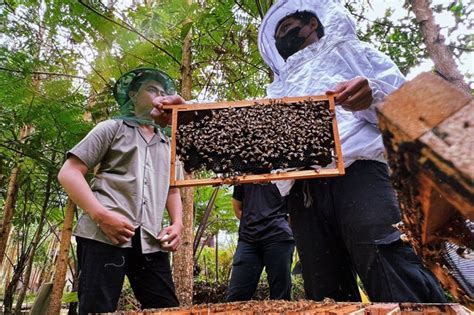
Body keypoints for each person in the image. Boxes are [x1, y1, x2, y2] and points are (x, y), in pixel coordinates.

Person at [257, 0, 447, 302]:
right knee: (326, 296)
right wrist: (186, 114)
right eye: (277, 32)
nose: (282, 35)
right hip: (303, 197)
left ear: (312, 24)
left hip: (359, 176)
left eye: (288, 26)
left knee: (394, 276)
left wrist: (373, 93)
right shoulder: (277, 89)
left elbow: (411, 110)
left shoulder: (353, 52)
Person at [58, 68, 186, 314]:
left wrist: (178, 223)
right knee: (97, 309)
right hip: (103, 235)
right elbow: (69, 172)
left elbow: (172, 190)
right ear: (134, 96)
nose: (159, 96)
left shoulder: (168, 144)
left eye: (163, 92)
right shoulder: (111, 128)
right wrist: (101, 216)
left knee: (166, 309)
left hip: (150, 239)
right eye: (151, 89)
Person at [227, 183, 295, 301]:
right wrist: (253, 221)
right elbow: (237, 208)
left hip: (279, 238)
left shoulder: (285, 169)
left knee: (280, 298)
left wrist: (283, 226)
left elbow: (294, 209)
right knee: (236, 297)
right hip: (248, 239)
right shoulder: (243, 172)